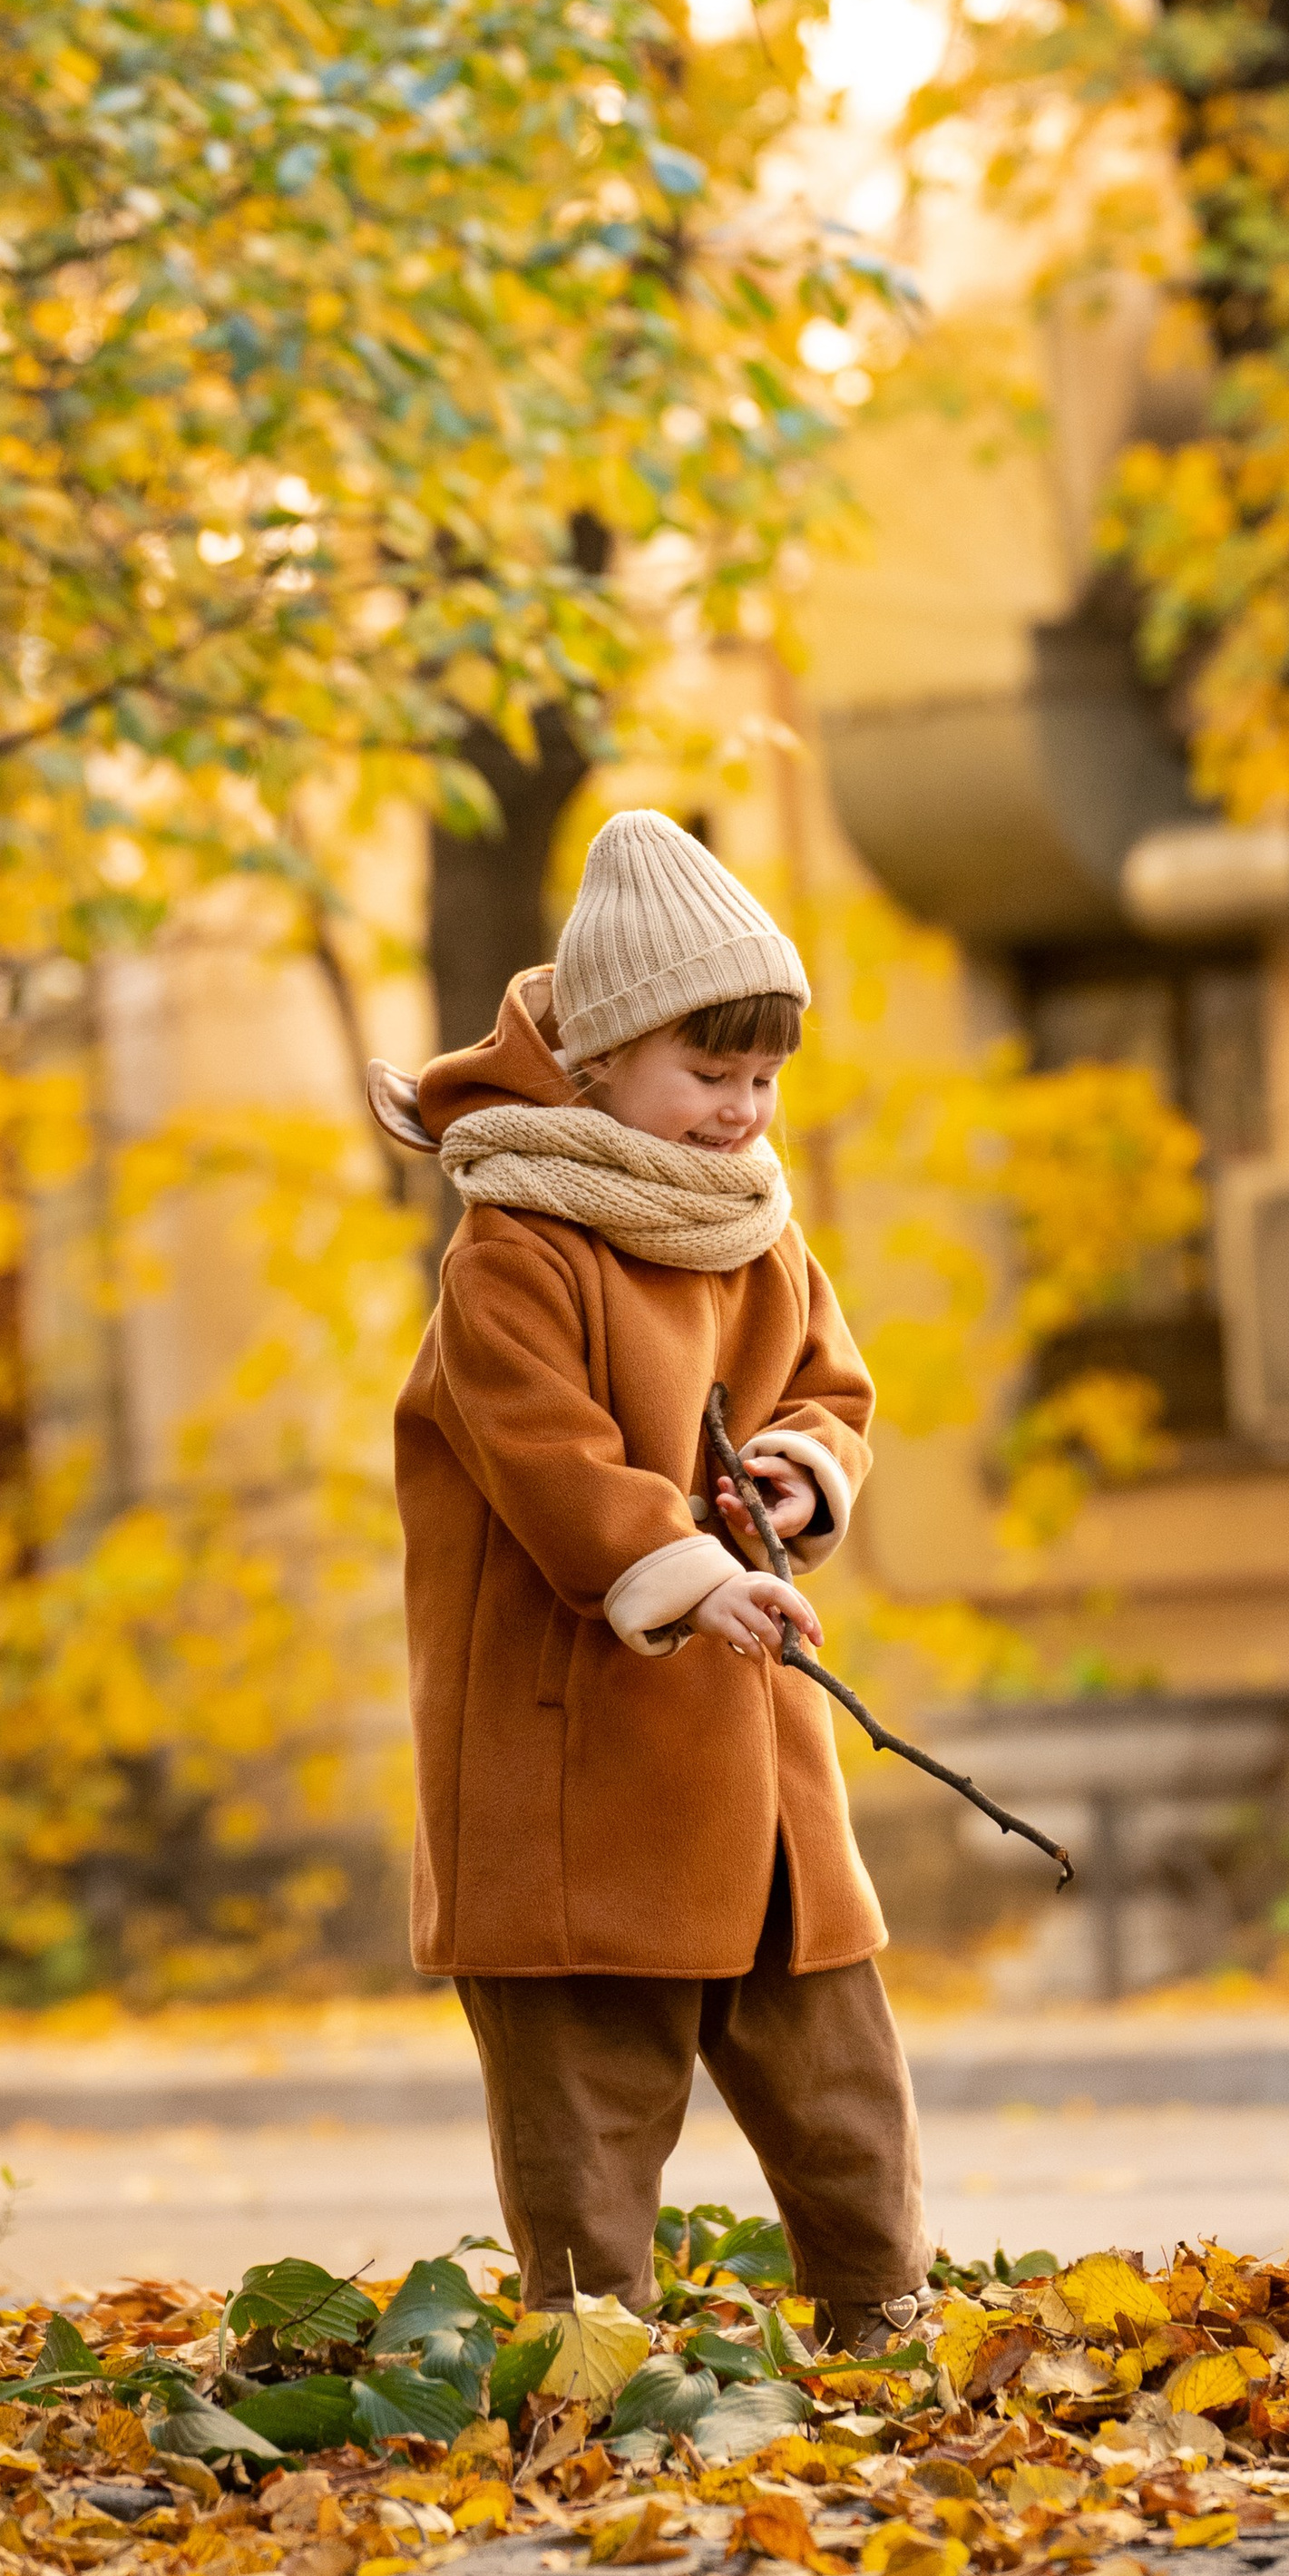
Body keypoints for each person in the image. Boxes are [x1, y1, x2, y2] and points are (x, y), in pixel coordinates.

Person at [366, 806, 931, 2349]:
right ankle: (591, 2347)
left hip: (751, 1746)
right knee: (589, 2088)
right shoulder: (514, 1249)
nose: (742, 1110)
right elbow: (549, 1462)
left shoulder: (757, 1229)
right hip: (573, 1748)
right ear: (604, 1056)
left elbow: (833, 1387)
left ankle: (881, 2312)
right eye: (709, 1072)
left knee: (833, 2059)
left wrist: (804, 1472)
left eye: (762, 1079)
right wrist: (685, 1566)